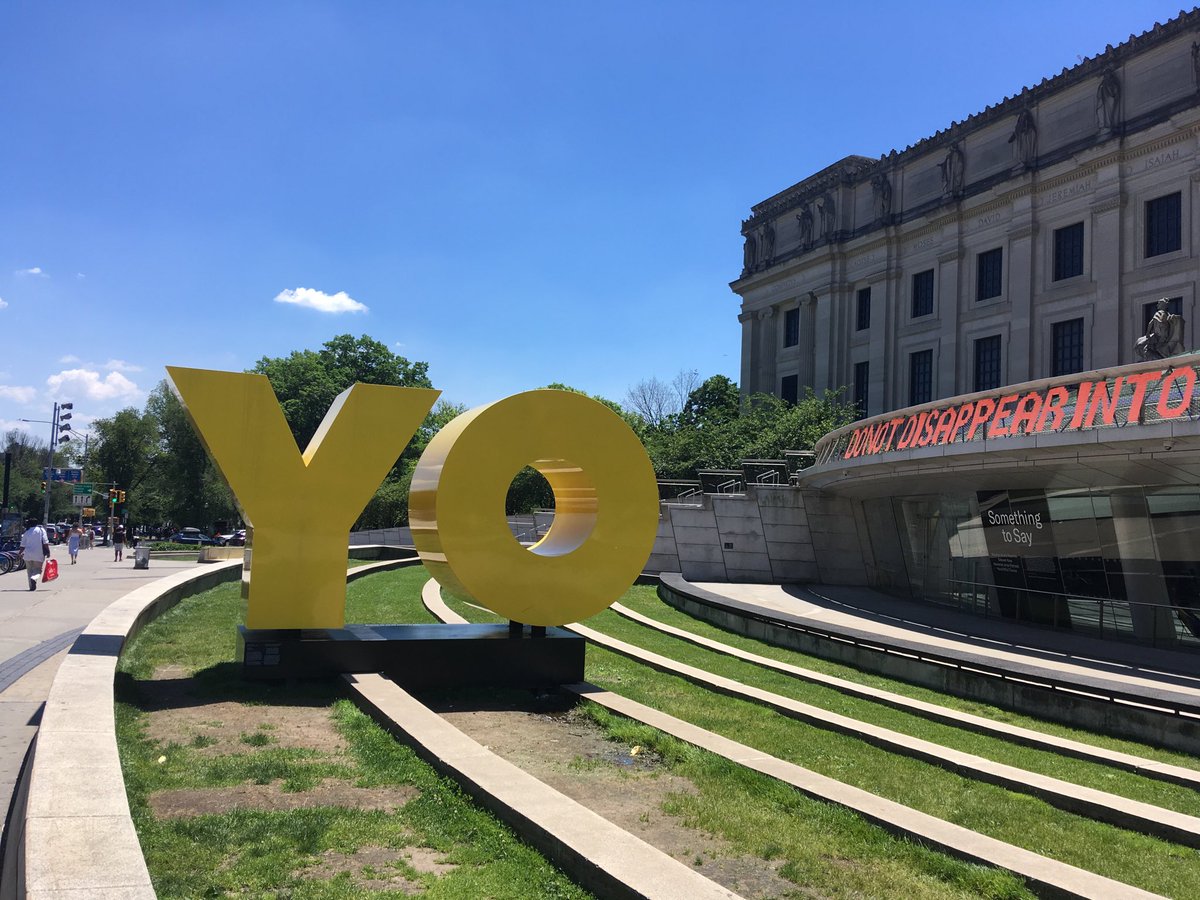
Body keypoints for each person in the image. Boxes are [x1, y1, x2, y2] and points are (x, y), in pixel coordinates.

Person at [20, 518, 50, 591]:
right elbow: (45, 542)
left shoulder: (27, 532)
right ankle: (34, 578)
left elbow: (22, 545)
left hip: (27, 554)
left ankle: (31, 586)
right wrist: (48, 552)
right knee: (38, 570)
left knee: (29, 571)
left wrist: (20, 553)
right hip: (38, 554)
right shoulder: (41, 530)